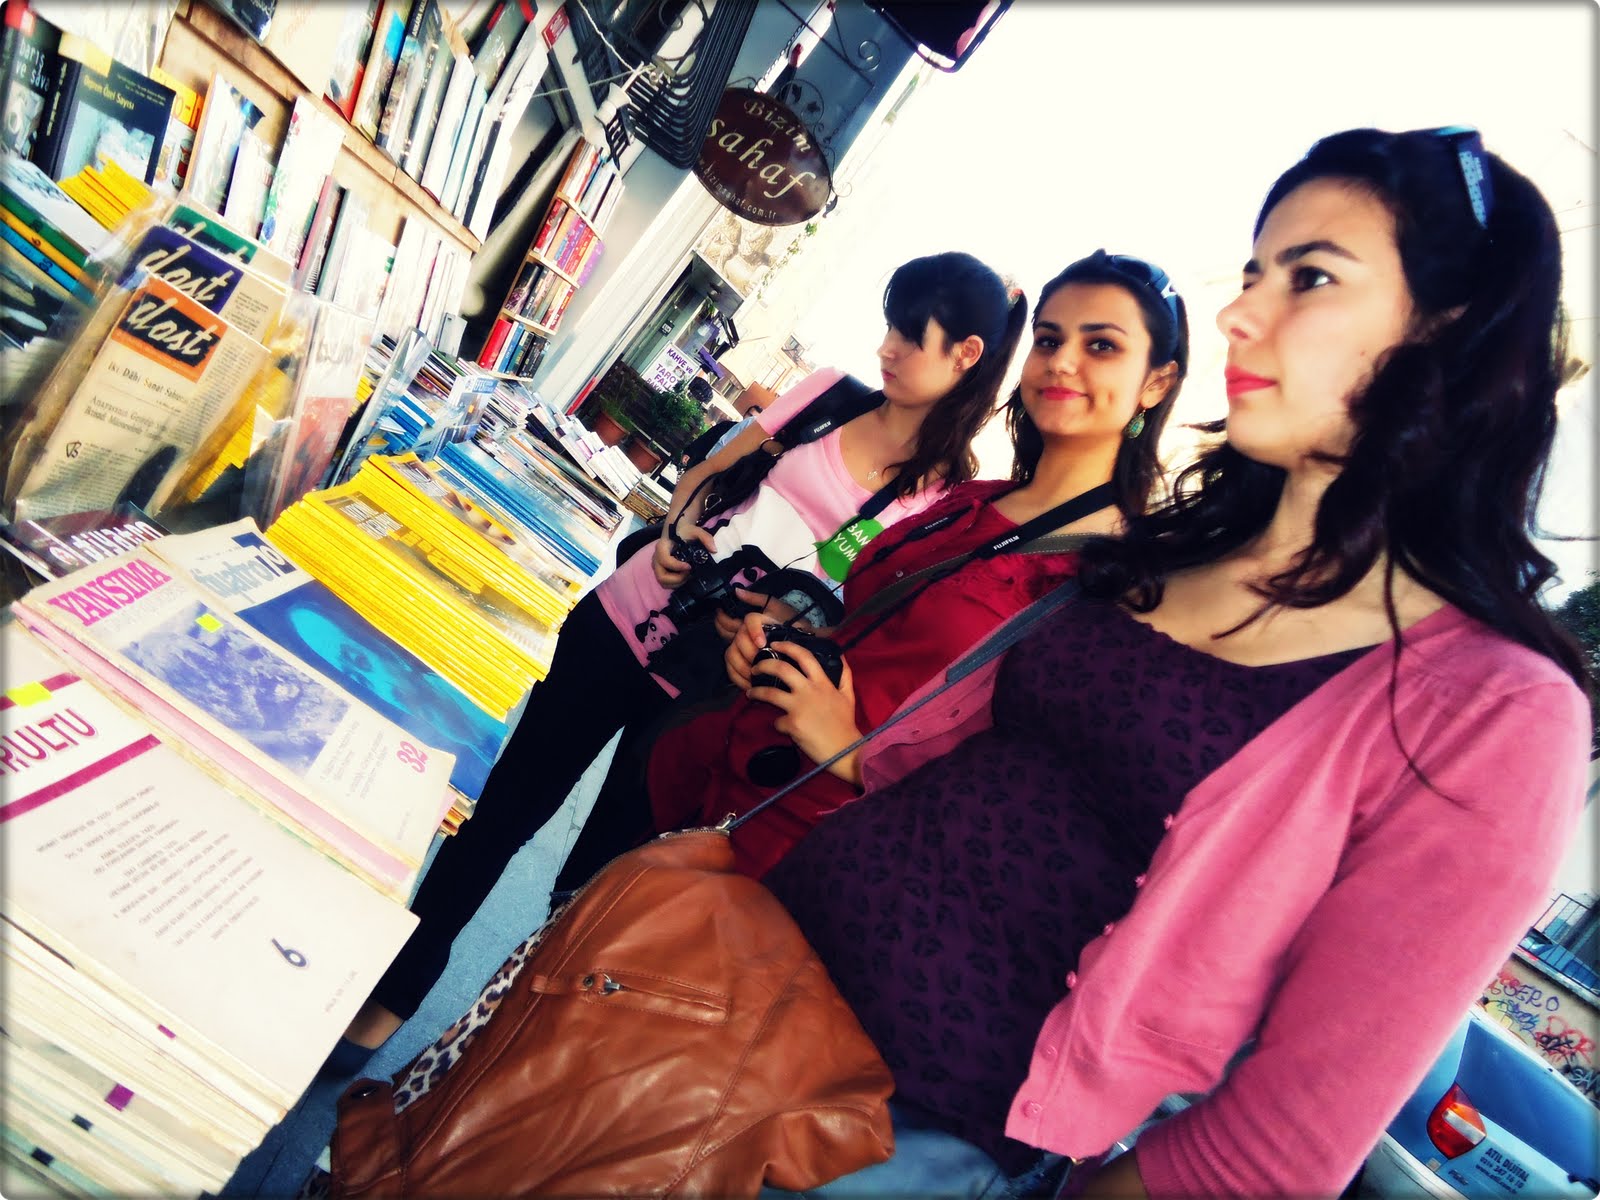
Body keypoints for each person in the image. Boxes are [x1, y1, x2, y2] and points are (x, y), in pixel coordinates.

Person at [758, 126, 1592, 1198]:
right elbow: (965, 762)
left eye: (1310, 277)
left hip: (901, 1132)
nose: (1240, 314)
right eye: (1252, 273)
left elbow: (1274, 1147)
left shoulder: (1492, 713)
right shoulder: (1163, 552)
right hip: (760, 955)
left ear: (1454, 333)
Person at [332, 250, 1028, 1062]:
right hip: (626, 617)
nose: (888, 347)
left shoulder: (943, 501)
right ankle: (393, 989)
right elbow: (710, 469)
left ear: (966, 355)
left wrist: (782, 625)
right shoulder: (827, 396)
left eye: (911, 334)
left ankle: (498, 1057)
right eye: (890, 325)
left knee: (598, 886)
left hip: (710, 695)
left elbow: (862, 621)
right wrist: (677, 530)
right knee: (501, 812)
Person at [552, 249, 1191, 889]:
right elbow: (874, 632)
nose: (1063, 361)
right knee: (576, 913)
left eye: (1102, 345)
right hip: (710, 765)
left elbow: (1024, 788)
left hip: (794, 844)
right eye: (1049, 339)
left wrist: (856, 755)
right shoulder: (975, 501)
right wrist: (792, 639)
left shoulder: (1109, 584)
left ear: (1157, 383)